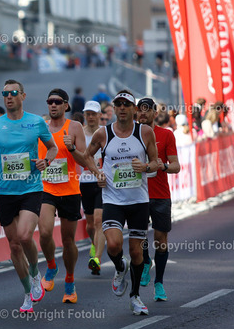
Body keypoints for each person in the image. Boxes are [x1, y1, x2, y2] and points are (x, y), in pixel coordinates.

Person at [0, 79, 57, 313]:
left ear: (23, 95)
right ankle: (27, 293)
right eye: (5, 94)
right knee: (13, 246)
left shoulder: (36, 122)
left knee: (24, 236)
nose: (9, 97)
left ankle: (35, 272)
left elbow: (52, 148)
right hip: (5, 190)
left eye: (13, 93)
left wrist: (46, 161)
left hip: (31, 188)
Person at [83, 89, 159, 315]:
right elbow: (87, 156)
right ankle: (119, 267)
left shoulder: (144, 132)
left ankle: (135, 297)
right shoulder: (103, 134)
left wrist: (145, 167)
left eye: (127, 104)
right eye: (119, 104)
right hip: (113, 200)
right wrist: (97, 173)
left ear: (134, 109)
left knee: (136, 253)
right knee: (114, 245)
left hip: (138, 201)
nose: (123, 108)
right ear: (114, 108)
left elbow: (156, 162)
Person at [37, 89, 87, 303]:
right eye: (50, 101)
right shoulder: (40, 127)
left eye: (57, 101)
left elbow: (85, 160)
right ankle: (51, 266)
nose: (53, 105)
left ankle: (69, 281)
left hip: (70, 190)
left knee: (68, 241)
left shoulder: (74, 127)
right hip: (46, 188)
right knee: (45, 232)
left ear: (66, 105)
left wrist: (72, 148)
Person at [136, 98, 181, 302]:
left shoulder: (166, 134)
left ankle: (159, 282)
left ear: (155, 113)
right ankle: (146, 260)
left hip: (160, 195)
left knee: (161, 241)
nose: (143, 113)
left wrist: (163, 166)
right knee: (139, 236)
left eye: (147, 110)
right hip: (138, 194)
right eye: (140, 110)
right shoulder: (130, 135)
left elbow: (176, 166)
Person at [80, 101, 106, 276]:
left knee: (98, 221)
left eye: (93, 114)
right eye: (88, 114)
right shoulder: (80, 134)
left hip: (102, 182)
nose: (90, 117)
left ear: (99, 115)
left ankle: (96, 259)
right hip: (85, 182)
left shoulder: (105, 132)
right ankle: (94, 243)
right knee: (90, 225)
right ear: (84, 115)